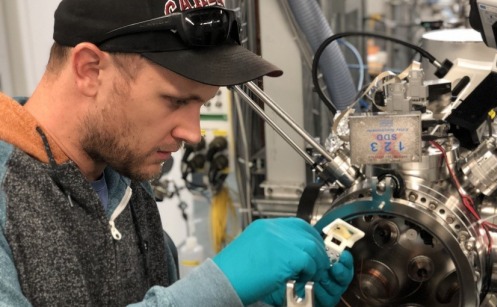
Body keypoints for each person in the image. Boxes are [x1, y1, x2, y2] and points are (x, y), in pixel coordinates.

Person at [0, 0, 354, 306]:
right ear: (90, 70)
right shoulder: (10, 199)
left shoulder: (125, 186)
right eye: (175, 100)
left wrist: (256, 300)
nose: (193, 134)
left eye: (202, 104)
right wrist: (216, 288)